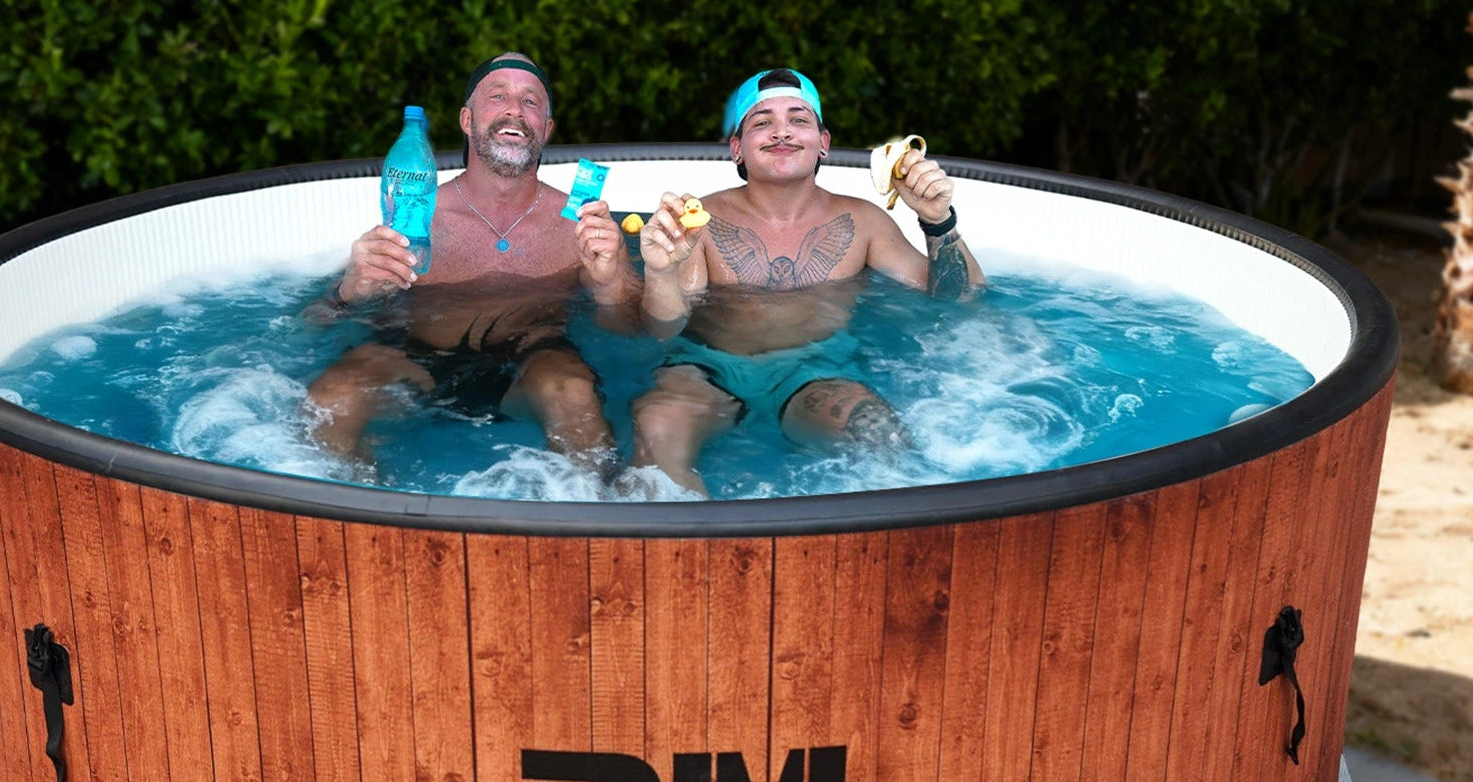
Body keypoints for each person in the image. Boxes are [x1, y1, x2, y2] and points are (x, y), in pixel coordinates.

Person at [626, 67, 986, 497]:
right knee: (655, 428)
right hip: (707, 369)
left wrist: (937, 220)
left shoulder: (863, 221)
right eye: (762, 122)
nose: (782, 132)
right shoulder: (698, 218)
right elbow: (665, 327)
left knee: (880, 436)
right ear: (737, 149)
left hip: (813, 371)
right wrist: (661, 270)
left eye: (799, 119)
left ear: (823, 143)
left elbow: (962, 298)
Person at [303, 52, 638, 476]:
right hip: (416, 360)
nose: (515, 109)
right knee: (331, 398)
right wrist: (346, 293)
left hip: (534, 360)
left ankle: (588, 527)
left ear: (546, 129)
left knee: (573, 394)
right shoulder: (415, 215)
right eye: (498, 96)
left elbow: (632, 329)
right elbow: (310, 324)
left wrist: (610, 283)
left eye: (531, 102)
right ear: (467, 119)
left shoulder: (580, 224)